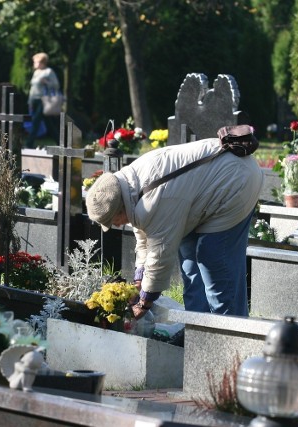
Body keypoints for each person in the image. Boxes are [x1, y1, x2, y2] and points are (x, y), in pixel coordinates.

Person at [86, 136, 263, 319]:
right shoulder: (129, 187)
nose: (115, 225)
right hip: (203, 191)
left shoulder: (153, 200)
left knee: (216, 264)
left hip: (236, 181)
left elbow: (160, 255)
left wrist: (144, 302)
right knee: (190, 262)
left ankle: (231, 334)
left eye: (113, 220)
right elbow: (144, 235)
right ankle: (198, 330)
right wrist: (139, 278)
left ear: (120, 207)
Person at [26, 52, 60, 149]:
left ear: (41, 62)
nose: (34, 64)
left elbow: (56, 85)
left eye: (35, 62)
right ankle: (60, 142)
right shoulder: (36, 73)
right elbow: (32, 89)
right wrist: (30, 101)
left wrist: (47, 82)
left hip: (43, 100)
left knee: (36, 121)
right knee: (49, 124)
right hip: (35, 100)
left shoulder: (48, 72)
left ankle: (29, 143)